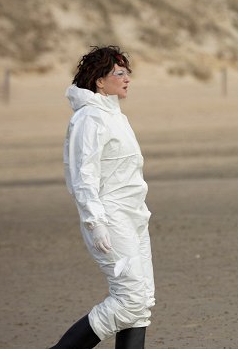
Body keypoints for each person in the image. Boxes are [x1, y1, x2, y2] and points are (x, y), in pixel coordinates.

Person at [50, 46, 155, 349]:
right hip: (111, 219)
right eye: (119, 74)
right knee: (129, 300)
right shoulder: (89, 118)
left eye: (127, 73)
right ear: (99, 81)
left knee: (142, 301)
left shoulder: (115, 115)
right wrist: (95, 222)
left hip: (135, 217)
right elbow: (83, 177)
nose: (127, 80)